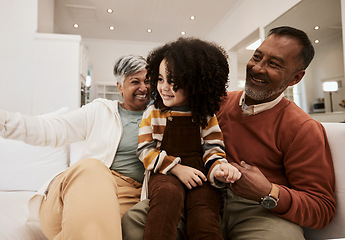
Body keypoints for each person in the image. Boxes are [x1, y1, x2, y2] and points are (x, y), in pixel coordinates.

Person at [121, 26, 336, 240]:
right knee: (135, 223)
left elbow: (322, 209)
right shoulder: (213, 103)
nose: (257, 68)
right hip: (196, 194)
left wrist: (268, 192)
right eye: (257, 57)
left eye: (273, 64)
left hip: (259, 212)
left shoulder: (303, 128)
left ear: (295, 78)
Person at [0, 55, 151, 240]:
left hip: (125, 199)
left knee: (97, 230)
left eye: (148, 81)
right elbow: (49, 130)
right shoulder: (99, 111)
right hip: (73, 194)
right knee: (92, 167)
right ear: (120, 87)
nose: (143, 87)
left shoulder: (161, 119)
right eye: (135, 81)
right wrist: (4, 121)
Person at [137, 37, 241, 240]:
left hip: (200, 174)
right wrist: (176, 168)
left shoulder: (206, 116)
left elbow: (213, 151)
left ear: (196, 83)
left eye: (174, 81)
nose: (164, 87)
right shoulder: (153, 113)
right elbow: (145, 151)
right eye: (160, 79)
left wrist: (220, 169)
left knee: (205, 213)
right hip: (164, 172)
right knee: (168, 196)